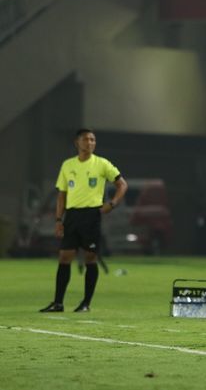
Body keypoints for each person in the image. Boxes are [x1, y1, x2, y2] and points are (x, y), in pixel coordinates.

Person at [40, 129, 127, 313]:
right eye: (86, 139)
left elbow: (122, 184)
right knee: (64, 257)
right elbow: (61, 195)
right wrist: (58, 219)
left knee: (90, 257)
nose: (90, 142)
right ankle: (58, 303)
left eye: (93, 139)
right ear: (77, 143)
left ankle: (86, 303)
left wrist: (112, 204)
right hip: (72, 216)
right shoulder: (67, 165)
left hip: (91, 216)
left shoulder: (102, 164)